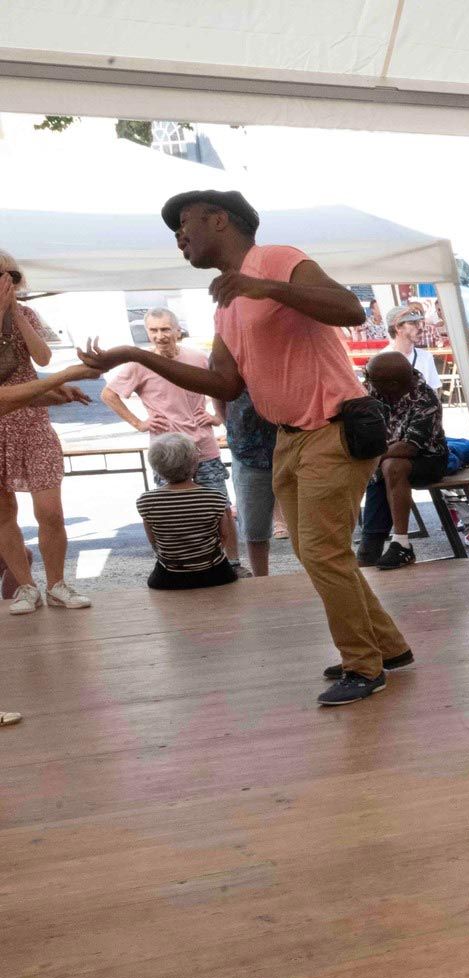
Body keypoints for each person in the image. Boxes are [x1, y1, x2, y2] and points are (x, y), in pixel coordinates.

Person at [81, 190, 407, 704]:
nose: (179, 236)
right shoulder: (225, 306)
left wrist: (264, 286)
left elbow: (348, 309)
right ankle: (387, 647)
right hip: (289, 437)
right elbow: (225, 384)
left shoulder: (276, 259)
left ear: (219, 220)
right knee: (318, 554)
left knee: (322, 553)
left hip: (334, 426)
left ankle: (363, 665)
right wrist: (134, 356)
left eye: (185, 222)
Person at [102, 307, 243, 570]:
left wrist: (217, 416)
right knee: (171, 511)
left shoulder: (197, 357)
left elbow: (222, 385)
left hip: (203, 447)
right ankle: (176, 564)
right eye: (153, 330)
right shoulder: (140, 363)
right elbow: (109, 394)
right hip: (167, 452)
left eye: (165, 329)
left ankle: (232, 563)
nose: (160, 336)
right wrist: (138, 423)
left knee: (220, 508)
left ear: (178, 330)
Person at [0, 250, 92, 614]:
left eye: (10, 276)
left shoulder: (27, 313)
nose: (5, 283)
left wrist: (15, 312)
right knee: (3, 512)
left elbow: (43, 359)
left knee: (50, 511)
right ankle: (26, 586)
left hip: (33, 421)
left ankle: (56, 584)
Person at [356, 351, 451, 570]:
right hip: (384, 463)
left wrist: (372, 459)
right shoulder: (373, 389)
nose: (366, 381)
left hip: (428, 459)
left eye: (370, 378)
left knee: (392, 466)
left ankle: (401, 542)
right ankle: (370, 546)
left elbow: (409, 447)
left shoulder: (426, 399)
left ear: (393, 384)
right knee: (383, 470)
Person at [137, 433, 238, 590]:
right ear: (194, 463)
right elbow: (224, 535)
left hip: (169, 575)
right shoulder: (215, 497)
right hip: (214, 572)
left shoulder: (146, 501)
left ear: (156, 467)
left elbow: (153, 540)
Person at [223, 391, 278, 575]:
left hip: (296, 443)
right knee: (254, 530)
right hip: (248, 450)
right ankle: (261, 581)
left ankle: (316, 582)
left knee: (310, 527)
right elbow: (220, 395)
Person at [383, 301, 441, 389]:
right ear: (398, 327)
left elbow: (434, 392)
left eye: (419, 323)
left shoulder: (426, 357)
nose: (420, 327)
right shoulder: (382, 360)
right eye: (412, 323)